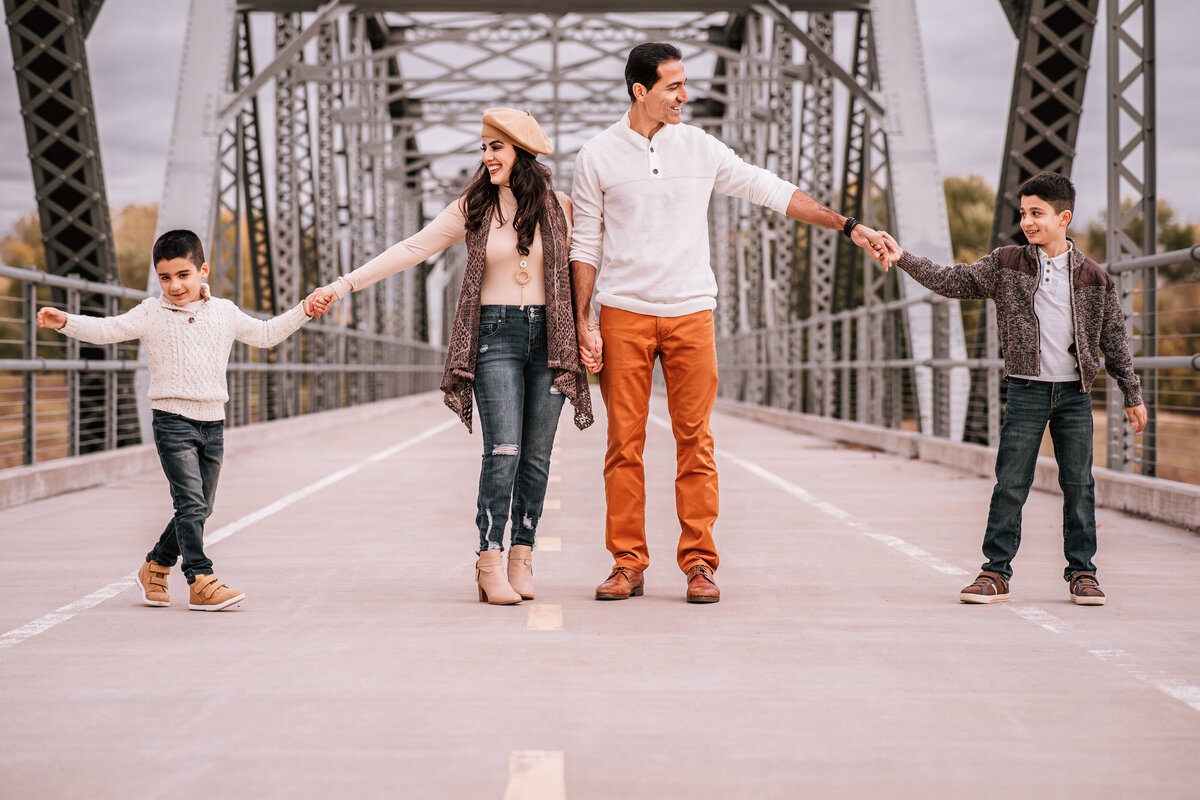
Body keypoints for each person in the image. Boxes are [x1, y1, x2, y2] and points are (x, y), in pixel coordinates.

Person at [569, 42, 893, 604]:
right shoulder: (596, 155)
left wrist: (848, 225)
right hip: (623, 313)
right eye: (673, 87)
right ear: (640, 91)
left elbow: (769, 190)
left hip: (692, 312)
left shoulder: (699, 146)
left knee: (696, 442)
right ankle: (628, 563)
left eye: (685, 84)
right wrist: (581, 320)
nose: (684, 96)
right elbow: (585, 243)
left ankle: (699, 564)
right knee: (625, 444)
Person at [308, 108, 592, 606]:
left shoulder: (561, 208)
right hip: (494, 336)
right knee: (503, 450)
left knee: (537, 457)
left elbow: (587, 270)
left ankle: (522, 556)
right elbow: (413, 248)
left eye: (495, 147)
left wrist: (592, 329)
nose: (486, 157)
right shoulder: (473, 208)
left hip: (552, 336)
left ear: (521, 152)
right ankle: (489, 559)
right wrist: (342, 285)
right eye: (483, 147)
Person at [879, 171, 1147, 605]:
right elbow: (954, 280)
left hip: (1074, 395)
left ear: (1064, 218)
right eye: (1023, 213)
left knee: (1079, 484)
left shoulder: (1095, 279)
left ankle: (1083, 573)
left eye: (1037, 213)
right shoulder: (1006, 263)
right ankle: (995, 573)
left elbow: (1114, 341)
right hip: (1026, 390)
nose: (1027, 221)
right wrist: (904, 257)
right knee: (1011, 482)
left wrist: (1132, 395)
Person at [37, 229, 321, 611]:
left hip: (213, 422)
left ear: (203, 270)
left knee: (202, 506)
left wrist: (304, 309)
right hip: (172, 420)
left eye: (183, 275)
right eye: (165, 278)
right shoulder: (151, 313)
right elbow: (110, 329)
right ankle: (200, 578)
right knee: (189, 503)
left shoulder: (224, 312)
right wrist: (65, 322)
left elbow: (266, 334)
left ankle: (155, 565)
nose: (174, 285)